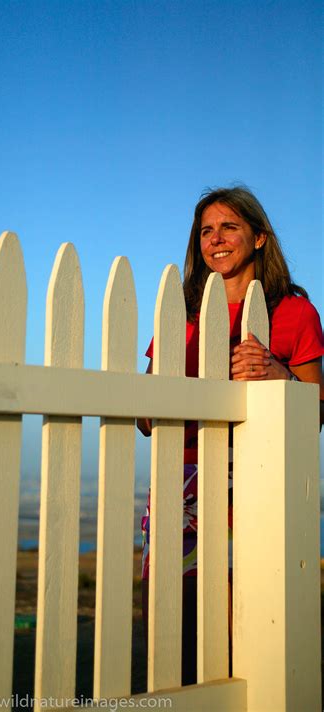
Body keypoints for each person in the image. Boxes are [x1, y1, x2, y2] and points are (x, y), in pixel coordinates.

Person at [137, 186, 324, 685]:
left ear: (260, 237)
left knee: (251, 611)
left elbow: (318, 410)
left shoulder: (295, 312)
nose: (215, 239)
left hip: (261, 477)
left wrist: (278, 371)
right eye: (206, 230)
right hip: (184, 477)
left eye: (229, 227)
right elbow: (144, 418)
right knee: (171, 618)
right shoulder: (181, 311)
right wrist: (158, 400)